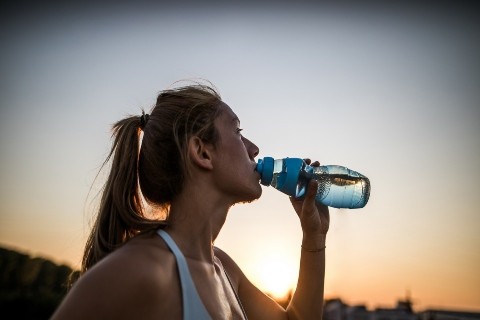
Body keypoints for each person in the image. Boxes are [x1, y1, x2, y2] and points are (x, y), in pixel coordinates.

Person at [51, 82, 330, 320]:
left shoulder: (223, 267)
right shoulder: (143, 269)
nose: (254, 149)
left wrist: (314, 235)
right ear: (202, 152)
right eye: (237, 131)